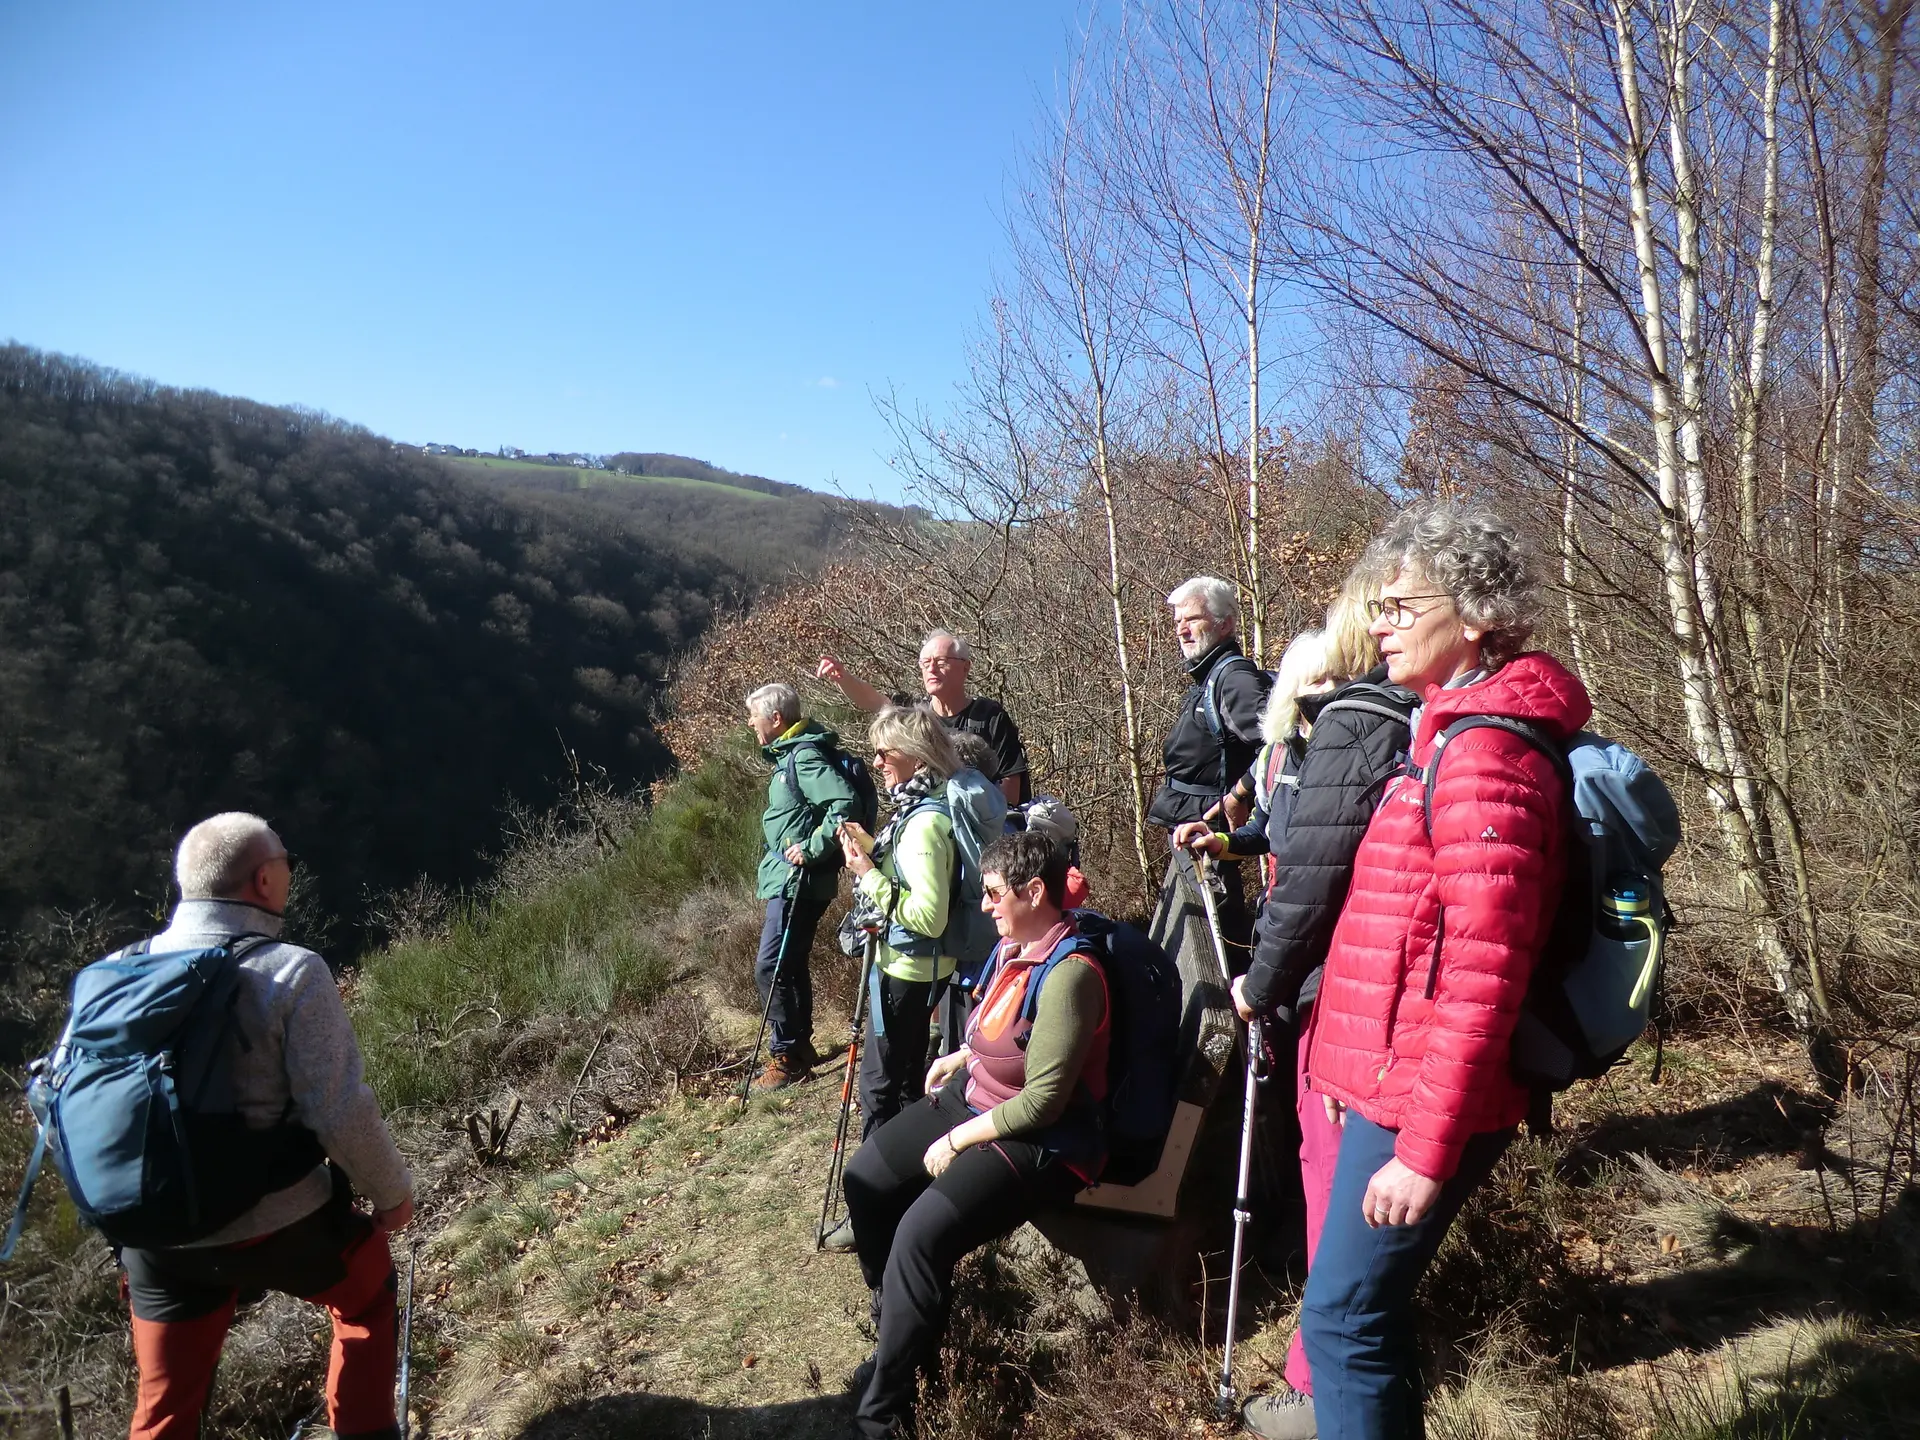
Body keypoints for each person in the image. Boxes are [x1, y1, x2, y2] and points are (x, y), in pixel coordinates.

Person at [1300, 500, 1590, 1440]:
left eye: (1397, 606)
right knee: (1362, 1318)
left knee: (1342, 1320)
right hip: (1396, 1079)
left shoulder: (1482, 758)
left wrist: (1423, 1147)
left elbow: (1484, 973)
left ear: (1471, 616)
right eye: (1378, 609)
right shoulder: (1448, 733)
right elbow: (1404, 936)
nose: (1377, 624)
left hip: (1426, 1096)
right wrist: (1351, 1069)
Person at [1180, 581, 1418, 1440]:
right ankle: (1326, 1357)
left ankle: (1318, 1375)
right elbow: (1295, 832)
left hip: (1337, 996)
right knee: (1320, 1164)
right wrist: (1231, 837)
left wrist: (1261, 983)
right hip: (1342, 990)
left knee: (1328, 1169)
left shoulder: (1350, 729)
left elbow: (1311, 868)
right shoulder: (1374, 731)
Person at [118, 814, 414, 1440]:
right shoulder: (291, 971)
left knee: (165, 1408)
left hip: (156, 1235)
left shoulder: (119, 972)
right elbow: (339, 1111)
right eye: (285, 858)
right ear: (262, 878)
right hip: (280, 1222)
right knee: (365, 1299)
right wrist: (391, 1196)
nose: (289, 868)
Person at [841, 831, 1108, 1440]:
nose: (983, 904)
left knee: (917, 1238)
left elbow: (1042, 1101)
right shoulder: (1016, 947)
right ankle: (904, 1340)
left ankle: (883, 1415)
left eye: (992, 893)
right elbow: (1005, 1029)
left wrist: (959, 1140)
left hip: (1038, 1140)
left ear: (1033, 891)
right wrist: (963, 1056)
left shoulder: (1070, 975)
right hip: (976, 1098)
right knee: (866, 1182)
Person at [837, 704, 963, 1142]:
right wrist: (871, 849)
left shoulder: (923, 824)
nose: (876, 763)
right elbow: (914, 874)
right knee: (908, 1081)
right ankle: (911, 1177)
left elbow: (928, 917)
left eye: (884, 753)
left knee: (878, 1088)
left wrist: (867, 874)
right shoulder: (933, 802)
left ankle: (878, 1189)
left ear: (915, 754)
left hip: (908, 970)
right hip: (928, 968)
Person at [1150, 576, 1273, 966]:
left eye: (1193, 619)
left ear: (1225, 623)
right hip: (1198, 832)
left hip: (1213, 837)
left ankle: (1236, 1016)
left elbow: (1278, 745)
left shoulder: (1232, 677)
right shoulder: (1210, 675)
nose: (1182, 629)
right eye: (1177, 622)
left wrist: (1240, 795)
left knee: (1222, 942)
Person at [747, 682, 861, 1089]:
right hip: (793, 878)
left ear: (776, 719)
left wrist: (811, 848)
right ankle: (799, 1047)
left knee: (772, 965)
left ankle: (786, 1057)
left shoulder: (804, 757)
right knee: (789, 963)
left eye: (754, 716)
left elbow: (843, 804)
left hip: (797, 879)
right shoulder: (793, 756)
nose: (750, 723)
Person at [817, 629, 1032, 805]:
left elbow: (1011, 791)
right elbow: (873, 700)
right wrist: (843, 678)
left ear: (965, 667)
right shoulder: (916, 717)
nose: (932, 669)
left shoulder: (989, 716)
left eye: (941, 661)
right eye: (925, 662)